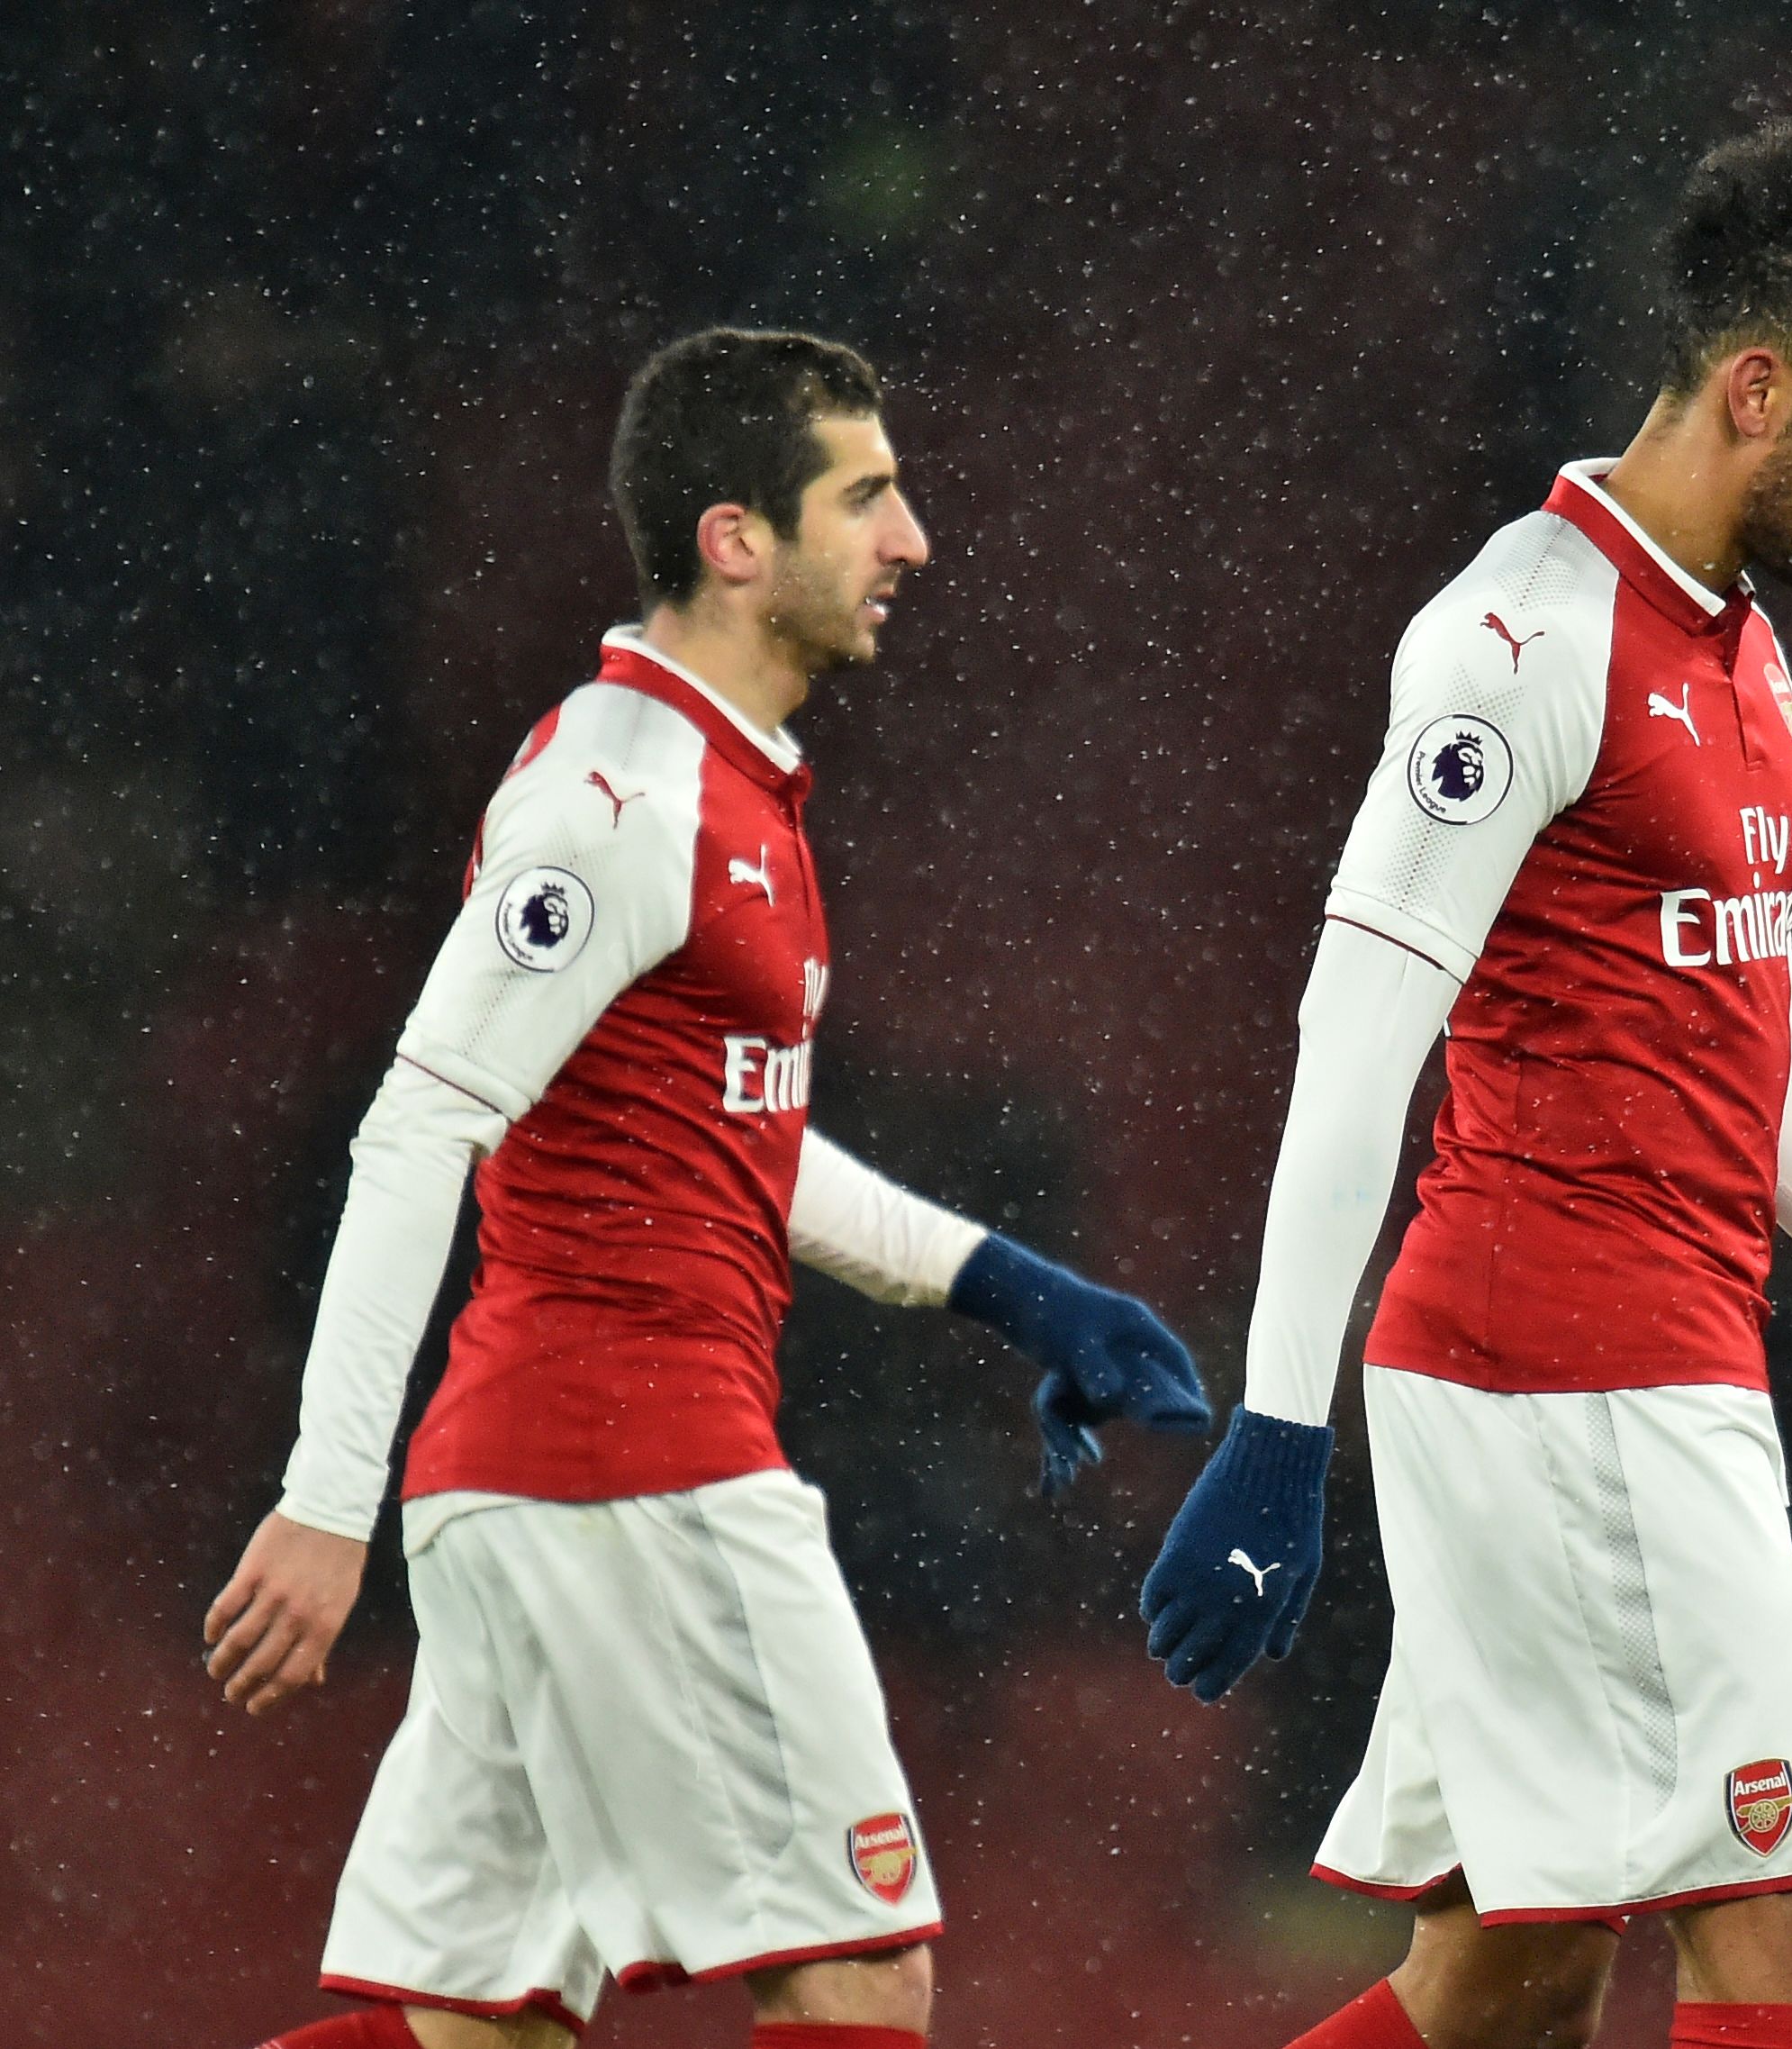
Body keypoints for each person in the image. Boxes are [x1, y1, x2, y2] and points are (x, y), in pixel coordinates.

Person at [1134, 119, 1792, 2049]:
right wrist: (1273, 1430)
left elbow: (1757, 1051)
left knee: (1509, 1973)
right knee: (1783, 1928)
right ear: (1756, 388)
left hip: (1632, 1357)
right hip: (1565, 1364)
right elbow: (1357, 1032)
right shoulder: (1522, 635)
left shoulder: (1738, 652)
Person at [205, 328, 1211, 2049]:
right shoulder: (620, 799)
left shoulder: (720, 785)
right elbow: (418, 1123)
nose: (914, 542)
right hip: (634, 1465)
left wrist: (1017, 1290)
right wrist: (322, 1496)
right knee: (859, 1968)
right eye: (868, 496)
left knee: (477, 2025)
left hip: (539, 1483)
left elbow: (730, 1150)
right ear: (736, 540)